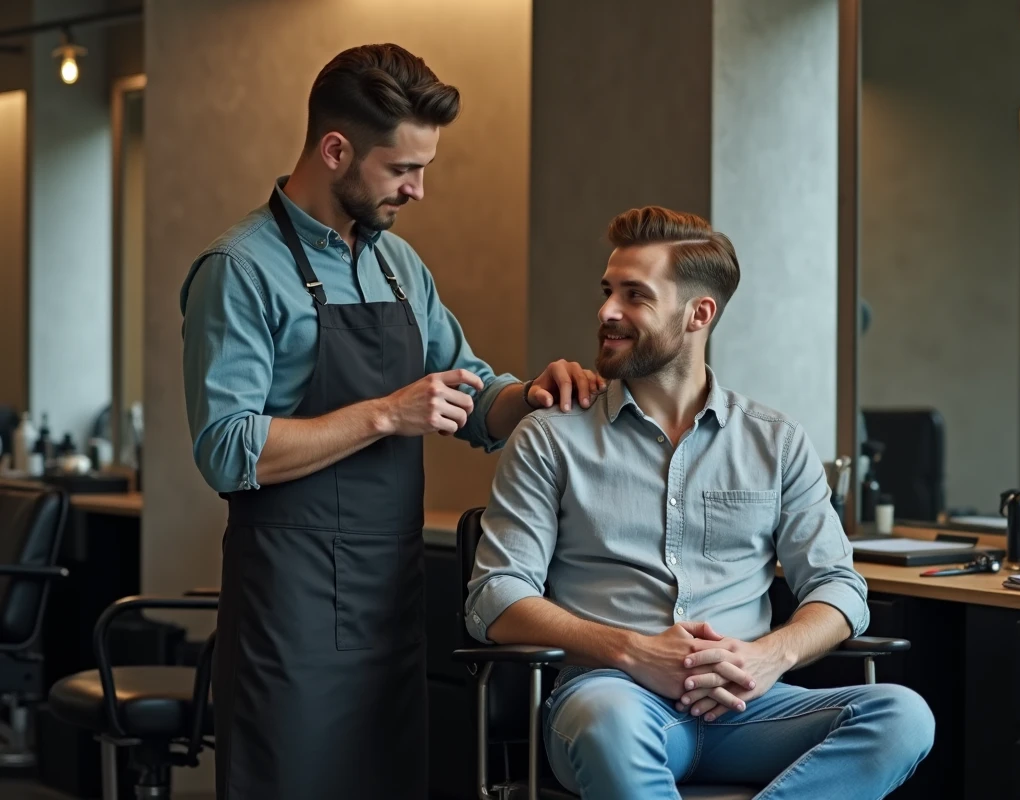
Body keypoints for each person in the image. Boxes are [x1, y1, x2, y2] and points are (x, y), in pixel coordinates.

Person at [180, 44, 601, 800]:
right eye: (403, 170)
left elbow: (473, 392)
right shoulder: (239, 270)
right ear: (336, 149)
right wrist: (385, 413)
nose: (419, 190)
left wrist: (531, 392)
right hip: (291, 612)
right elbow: (226, 448)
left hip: (390, 601)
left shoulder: (399, 267)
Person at [466, 207, 934, 798]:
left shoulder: (775, 440)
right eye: (608, 291)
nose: (607, 311)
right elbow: (496, 598)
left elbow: (839, 588)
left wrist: (768, 657)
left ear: (698, 313)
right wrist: (634, 652)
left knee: (903, 715)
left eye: (635, 295)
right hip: (611, 699)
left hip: (747, 709)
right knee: (609, 722)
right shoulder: (551, 435)